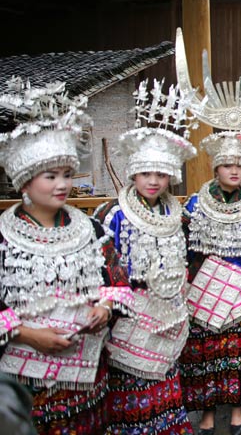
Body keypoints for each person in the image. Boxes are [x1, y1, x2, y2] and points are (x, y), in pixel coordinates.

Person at [0, 80, 131, 435]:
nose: (62, 184)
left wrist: (104, 309)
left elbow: (117, 283)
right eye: (50, 175)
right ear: (24, 182)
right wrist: (26, 333)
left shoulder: (89, 227)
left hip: (88, 373)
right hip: (24, 376)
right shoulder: (2, 236)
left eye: (67, 175)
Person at [94, 80, 195, 435]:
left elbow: (186, 258)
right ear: (133, 173)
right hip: (129, 317)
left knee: (167, 383)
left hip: (169, 312)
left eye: (161, 174)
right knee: (130, 390)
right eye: (146, 173)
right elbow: (103, 275)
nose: (153, 181)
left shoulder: (177, 214)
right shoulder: (112, 214)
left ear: (171, 177)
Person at [180, 132, 241, 435]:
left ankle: (239, 406)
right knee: (206, 354)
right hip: (202, 291)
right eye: (227, 165)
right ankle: (207, 410)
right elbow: (183, 248)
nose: (234, 171)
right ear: (216, 169)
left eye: (240, 164)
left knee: (240, 353)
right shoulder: (195, 204)